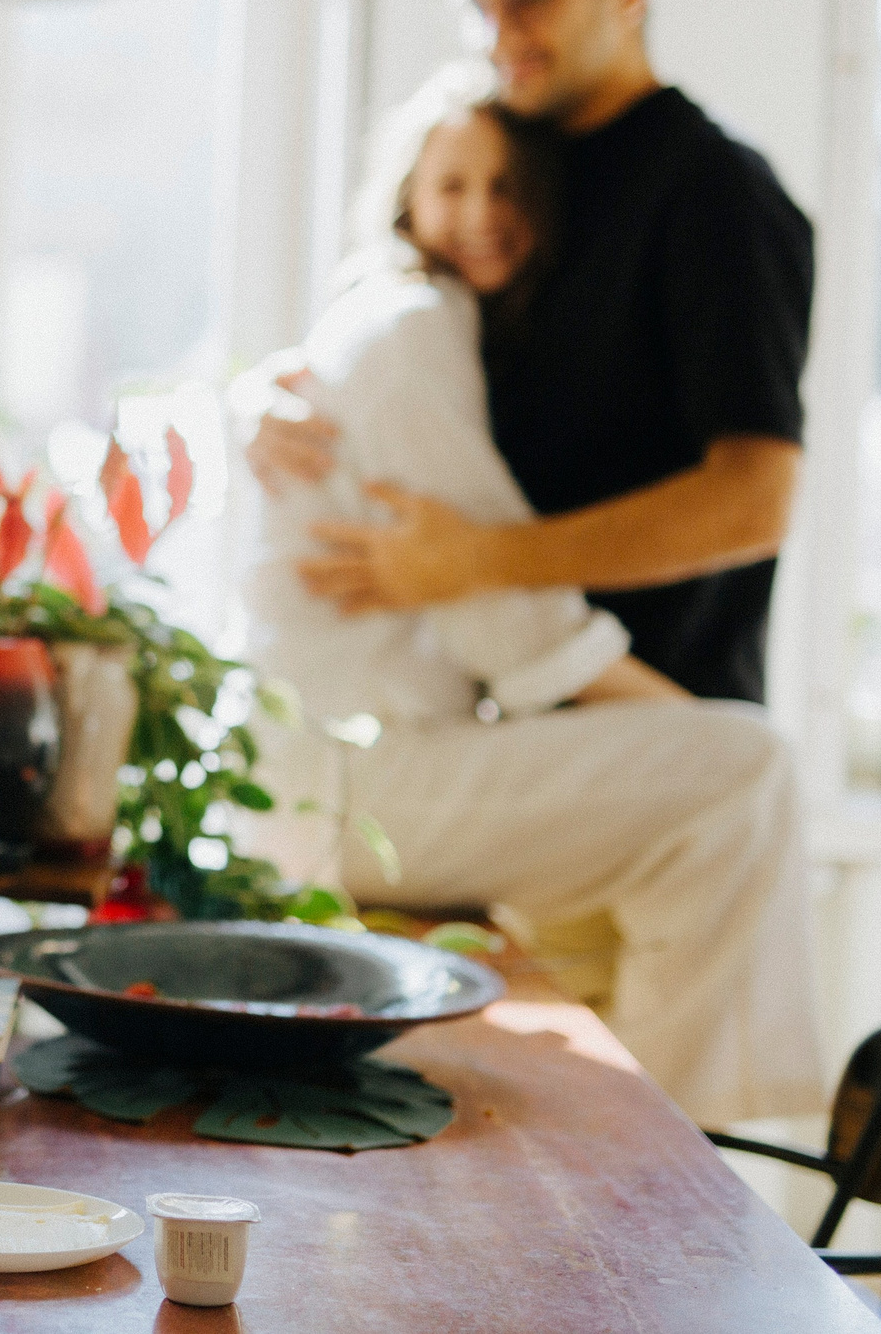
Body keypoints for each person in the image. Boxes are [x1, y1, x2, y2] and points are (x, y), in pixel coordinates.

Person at [240, 63, 824, 1129]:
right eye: (451, 183)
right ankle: (678, 1155)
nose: (480, 215)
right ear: (405, 192)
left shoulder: (399, 320)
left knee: (710, 825)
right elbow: (495, 606)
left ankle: (651, 1134)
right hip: (353, 778)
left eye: (508, 188)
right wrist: (682, 726)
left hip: (334, 771)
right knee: (748, 769)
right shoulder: (417, 328)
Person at [261, 0, 814, 708]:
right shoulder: (515, 170)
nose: (497, 37)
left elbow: (753, 501)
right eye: (478, 8)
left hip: (661, 720)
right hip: (508, 710)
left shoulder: (717, 191)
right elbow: (397, 326)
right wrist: (272, 399)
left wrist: (476, 560)